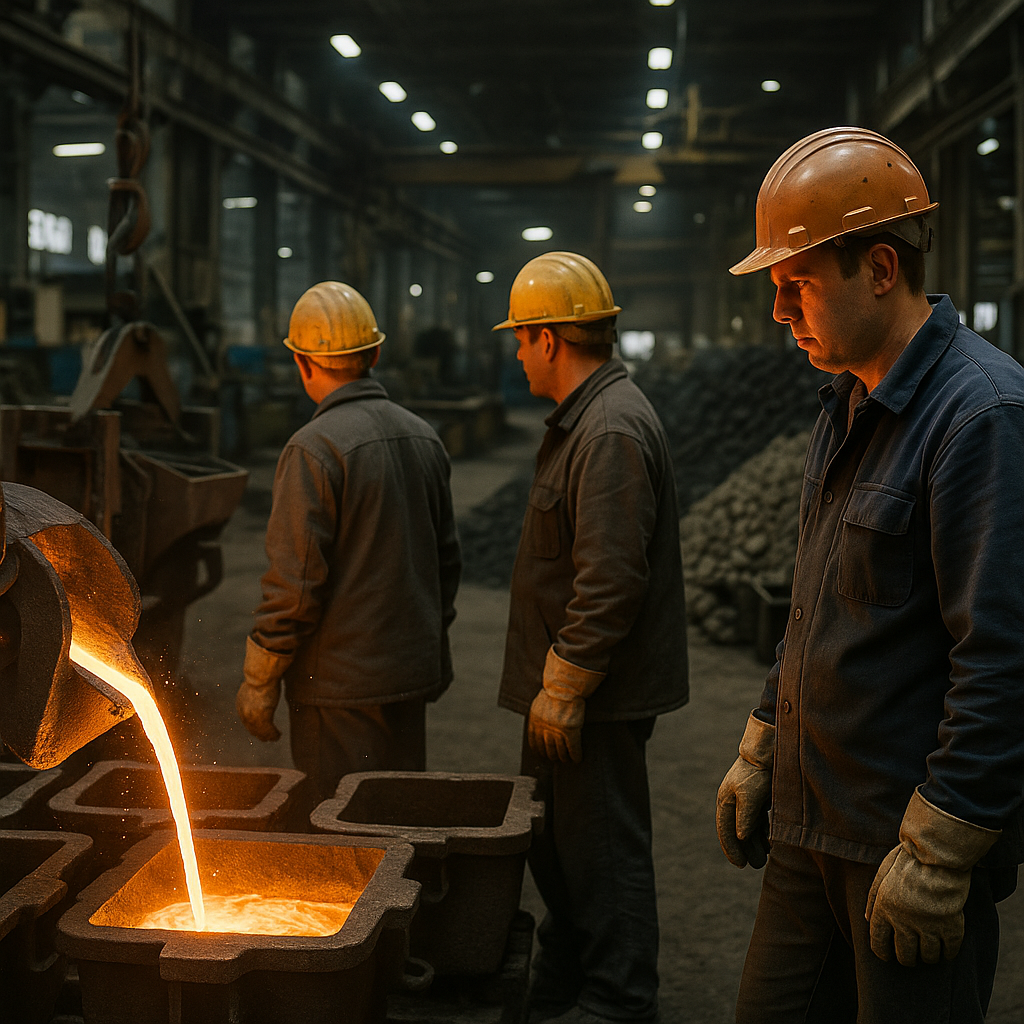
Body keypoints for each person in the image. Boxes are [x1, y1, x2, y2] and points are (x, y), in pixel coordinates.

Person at [716, 126, 1024, 1023]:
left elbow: (1003, 657)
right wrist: (764, 737)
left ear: (880, 269)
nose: (780, 313)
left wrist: (941, 853)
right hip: (811, 824)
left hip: (899, 845)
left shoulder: (984, 418)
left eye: (797, 286)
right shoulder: (850, 401)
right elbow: (815, 600)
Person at [495, 252, 688, 1024]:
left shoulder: (607, 428)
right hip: (565, 693)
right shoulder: (591, 419)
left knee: (601, 850)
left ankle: (616, 1000)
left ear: (550, 340)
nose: (515, 354)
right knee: (562, 849)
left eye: (520, 338)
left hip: (591, 700)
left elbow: (609, 578)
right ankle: (571, 978)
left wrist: (568, 684)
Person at [235, 281, 461, 803]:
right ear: (375, 353)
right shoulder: (424, 436)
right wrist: (429, 646)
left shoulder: (314, 449)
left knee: (340, 838)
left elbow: (295, 584)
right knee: (397, 822)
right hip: (408, 675)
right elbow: (446, 562)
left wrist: (261, 676)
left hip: (337, 689)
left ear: (303, 363)